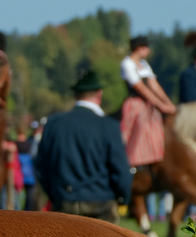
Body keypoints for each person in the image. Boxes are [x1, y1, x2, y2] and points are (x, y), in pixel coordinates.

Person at [33, 67, 133, 222]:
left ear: (75, 95)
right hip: (101, 205)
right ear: (99, 93)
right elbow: (121, 171)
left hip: (63, 204)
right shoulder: (109, 126)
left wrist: (56, 195)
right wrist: (123, 198)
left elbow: (41, 167)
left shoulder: (53, 124)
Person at [119, 35, 176, 167]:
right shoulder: (127, 63)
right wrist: (160, 105)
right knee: (140, 125)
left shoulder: (144, 64)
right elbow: (140, 88)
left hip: (150, 102)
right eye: (146, 48)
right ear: (139, 48)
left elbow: (153, 84)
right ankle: (133, 161)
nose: (148, 51)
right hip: (135, 103)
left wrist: (168, 103)